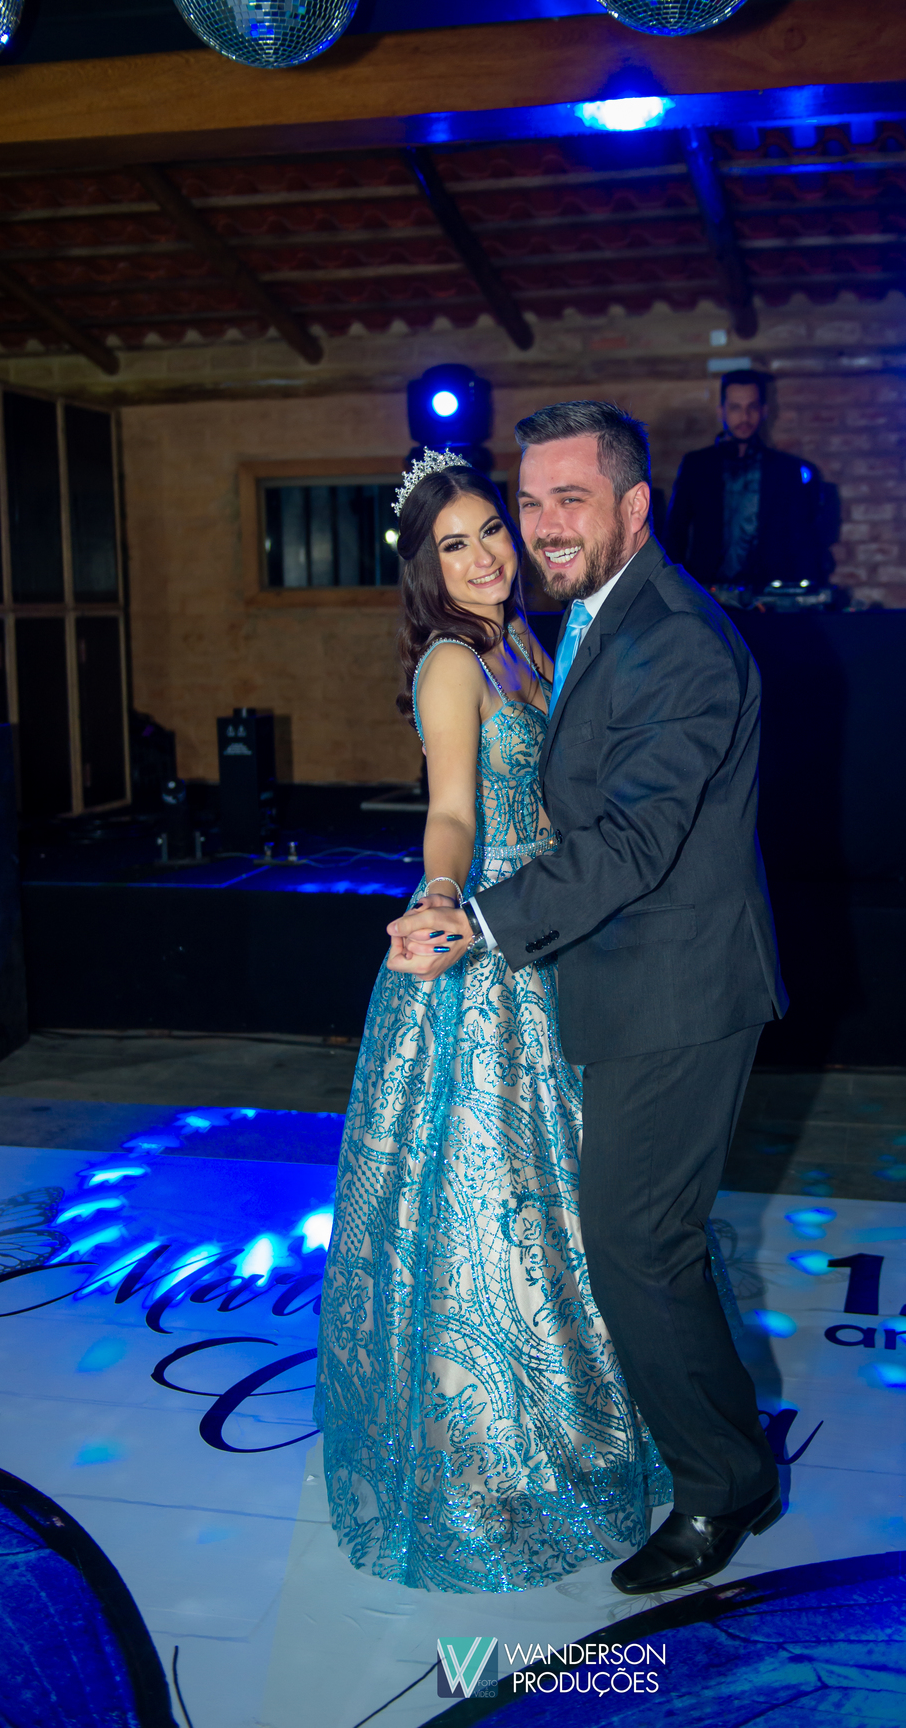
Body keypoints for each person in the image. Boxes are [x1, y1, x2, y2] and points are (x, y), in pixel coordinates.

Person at [391, 401, 787, 1597]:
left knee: (636, 1242)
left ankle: (723, 1486)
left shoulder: (674, 637)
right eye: (531, 501)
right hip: (613, 968)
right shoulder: (587, 617)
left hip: (676, 982)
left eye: (571, 498)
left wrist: (481, 920)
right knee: (634, 1238)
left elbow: (637, 837)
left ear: (634, 504)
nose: (541, 526)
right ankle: (709, 1456)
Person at [313, 452, 667, 1593]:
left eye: (491, 532)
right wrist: (437, 895)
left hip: (550, 939)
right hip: (483, 952)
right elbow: (455, 811)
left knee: (566, 1208)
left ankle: (583, 1429)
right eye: (453, 544)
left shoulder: (529, 643)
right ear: (426, 567)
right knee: (490, 1216)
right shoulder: (451, 662)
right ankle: (486, 1469)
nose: (482, 557)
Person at [664, 368, 823, 593]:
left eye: (752, 407)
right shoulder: (697, 465)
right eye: (735, 408)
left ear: (764, 411)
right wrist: (674, 591)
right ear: (721, 411)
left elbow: (802, 538)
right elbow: (675, 533)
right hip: (707, 594)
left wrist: (808, 594)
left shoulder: (786, 470)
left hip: (769, 595)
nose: (744, 417)